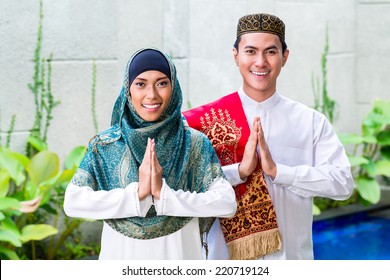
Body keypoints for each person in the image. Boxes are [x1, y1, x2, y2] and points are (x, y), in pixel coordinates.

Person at [183, 13, 354, 260]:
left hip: (291, 260)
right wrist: (238, 172)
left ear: (285, 57)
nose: (260, 62)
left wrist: (279, 172)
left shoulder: (310, 121)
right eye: (250, 51)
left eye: (271, 52)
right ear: (236, 56)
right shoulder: (203, 123)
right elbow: (186, 186)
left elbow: (343, 183)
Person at [63, 48, 236, 260]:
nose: (151, 94)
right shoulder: (107, 145)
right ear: (128, 89)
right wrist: (136, 195)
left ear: (174, 87)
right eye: (140, 84)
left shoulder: (193, 143)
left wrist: (166, 197)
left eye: (162, 83)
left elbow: (226, 203)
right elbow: (73, 201)